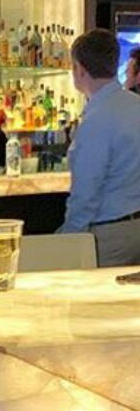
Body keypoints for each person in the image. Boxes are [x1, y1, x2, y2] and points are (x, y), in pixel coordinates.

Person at [59, 28, 140, 266]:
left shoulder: (96, 120)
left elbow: (86, 193)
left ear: (79, 69)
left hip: (108, 234)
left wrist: (67, 238)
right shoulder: (135, 105)